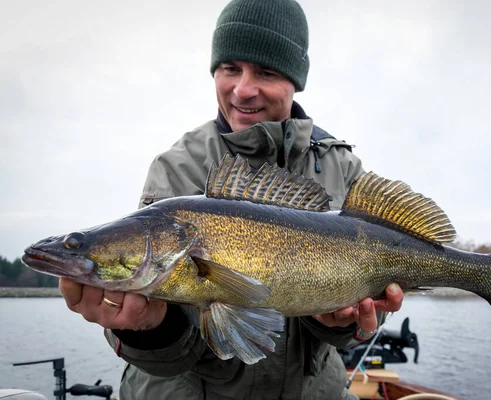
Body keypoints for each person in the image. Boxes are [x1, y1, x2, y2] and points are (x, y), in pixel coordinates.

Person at [59, 0, 403, 398]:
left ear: (296, 80)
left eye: (266, 72)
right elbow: (168, 358)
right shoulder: (178, 168)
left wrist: (339, 324)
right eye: (230, 69)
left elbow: (357, 330)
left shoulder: (341, 166)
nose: (243, 89)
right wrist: (147, 328)